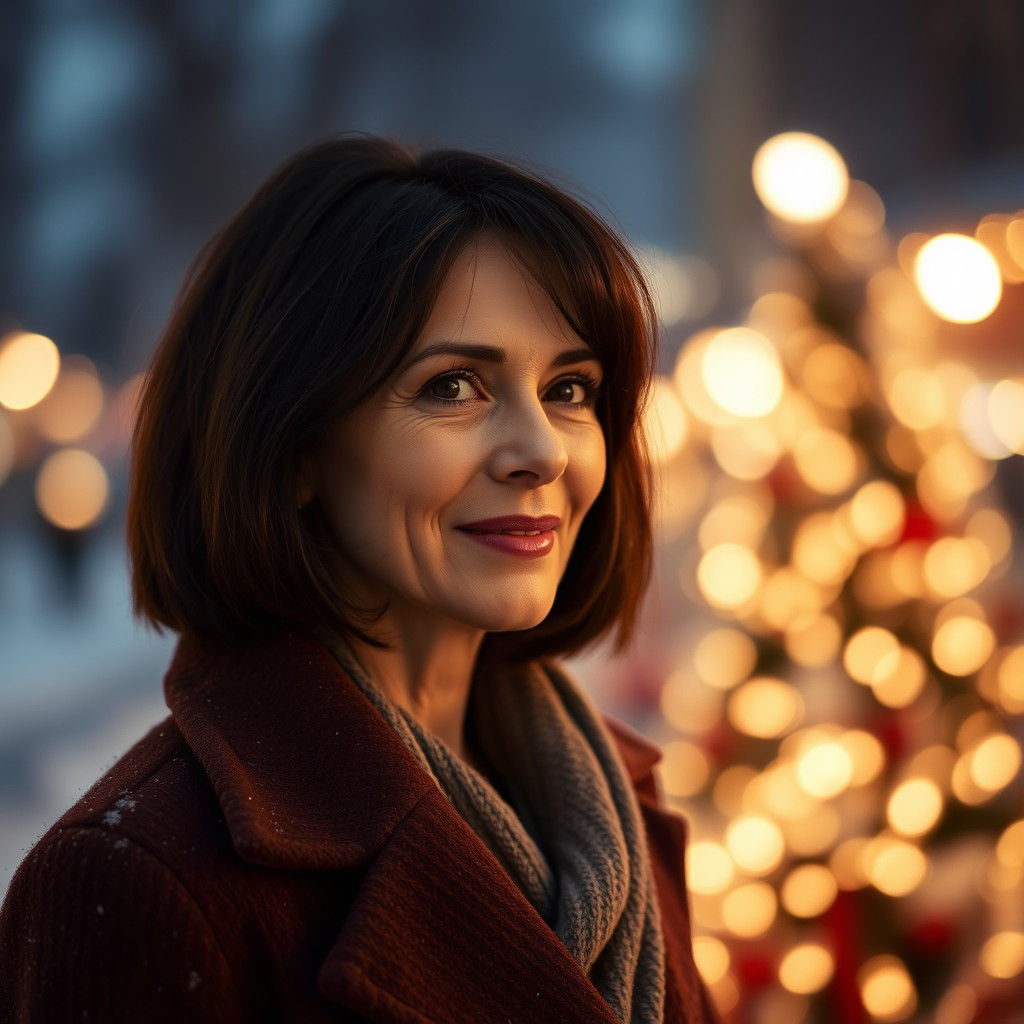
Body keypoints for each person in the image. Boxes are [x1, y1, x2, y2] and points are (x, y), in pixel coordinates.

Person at [0, 136, 716, 1023]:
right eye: (454, 386)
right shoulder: (138, 876)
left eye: (570, 390)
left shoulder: (613, 803)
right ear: (294, 444)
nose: (542, 452)